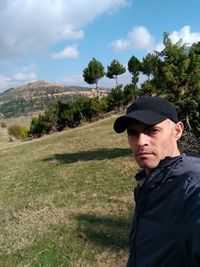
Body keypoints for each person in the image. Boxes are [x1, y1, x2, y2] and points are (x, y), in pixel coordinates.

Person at [113, 96, 200, 267]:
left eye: (152, 130)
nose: (140, 142)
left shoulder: (192, 188)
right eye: (133, 132)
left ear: (177, 131)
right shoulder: (151, 181)